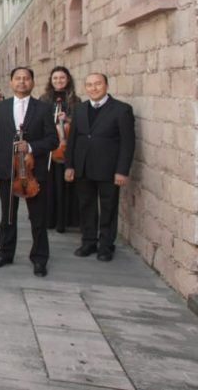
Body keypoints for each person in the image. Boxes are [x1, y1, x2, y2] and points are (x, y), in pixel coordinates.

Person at [0, 67, 58, 277]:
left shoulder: (44, 108)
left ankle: (39, 258)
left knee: (38, 217)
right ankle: (5, 253)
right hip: (7, 170)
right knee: (7, 215)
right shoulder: (0, 108)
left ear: (32, 83)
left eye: (26, 79)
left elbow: (53, 140)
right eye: (18, 78)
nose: (22, 82)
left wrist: (32, 147)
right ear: (11, 82)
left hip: (34, 173)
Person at [65, 73, 136, 262]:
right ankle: (88, 242)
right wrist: (69, 165)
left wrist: (122, 170)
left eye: (97, 84)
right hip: (83, 167)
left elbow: (128, 143)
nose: (93, 88)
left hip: (109, 169)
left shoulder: (121, 110)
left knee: (108, 207)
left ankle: (106, 246)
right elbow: (72, 140)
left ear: (106, 85)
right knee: (86, 205)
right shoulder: (79, 109)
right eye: (89, 85)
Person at [39, 66, 82, 233]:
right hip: (49, 149)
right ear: (51, 80)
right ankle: (50, 219)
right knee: (49, 185)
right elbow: (38, 122)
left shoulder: (75, 100)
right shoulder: (44, 99)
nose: (59, 81)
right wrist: (51, 119)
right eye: (55, 78)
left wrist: (68, 118)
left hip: (68, 147)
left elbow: (80, 124)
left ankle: (65, 221)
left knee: (67, 185)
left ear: (68, 79)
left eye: (62, 78)